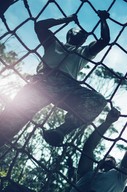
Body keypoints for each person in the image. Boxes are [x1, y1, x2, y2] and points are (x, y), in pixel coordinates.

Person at [0, 10, 110, 148]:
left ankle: (61, 131)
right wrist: (66, 19)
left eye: (84, 36)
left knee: (98, 100)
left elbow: (104, 41)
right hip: (43, 81)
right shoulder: (54, 43)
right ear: (69, 34)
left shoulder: (84, 52)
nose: (83, 35)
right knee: (10, 122)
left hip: (67, 87)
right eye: (79, 31)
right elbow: (40, 26)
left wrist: (103, 20)